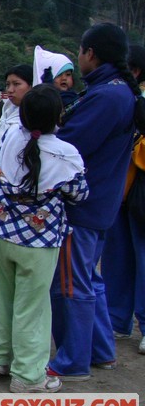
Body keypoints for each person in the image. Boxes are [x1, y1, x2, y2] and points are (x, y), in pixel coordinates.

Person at [47, 23, 143, 381]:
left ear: (91, 53)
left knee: (70, 284)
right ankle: (101, 351)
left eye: (80, 51)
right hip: (101, 202)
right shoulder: (115, 92)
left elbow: (68, 146)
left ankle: (73, 360)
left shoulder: (106, 97)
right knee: (88, 278)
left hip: (83, 206)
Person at [0, 85, 88, 394]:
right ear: (58, 116)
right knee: (33, 307)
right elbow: (79, 194)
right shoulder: (65, 153)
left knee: (1, 297)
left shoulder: (9, 138)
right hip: (39, 241)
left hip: (1, 232)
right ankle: (29, 376)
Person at [102, 44, 145, 354]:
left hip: (139, 187)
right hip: (120, 187)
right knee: (118, 255)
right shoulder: (119, 98)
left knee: (142, 256)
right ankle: (117, 320)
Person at [0, 65, 34, 153]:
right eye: (7, 85)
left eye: (16, 84)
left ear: (32, 85)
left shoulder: (35, 116)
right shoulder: (6, 111)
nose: (10, 90)